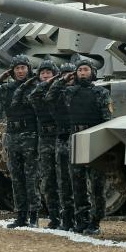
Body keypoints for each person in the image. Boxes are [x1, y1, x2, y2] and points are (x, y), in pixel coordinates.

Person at [50, 59, 112, 235]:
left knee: (97, 186)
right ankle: (81, 219)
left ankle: (95, 221)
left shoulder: (101, 93)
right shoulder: (69, 92)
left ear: (92, 73)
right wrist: (62, 79)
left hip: (94, 140)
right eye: (79, 70)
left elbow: (107, 119)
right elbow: (49, 96)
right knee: (77, 184)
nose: (82, 73)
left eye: (86, 70)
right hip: (75, 139)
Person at [0, 55, 39, 228]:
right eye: (17, 68)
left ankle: (34, 216)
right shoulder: (7, 89)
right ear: (12, 71)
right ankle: (21, 215)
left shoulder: (35, 88)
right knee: (17, 178)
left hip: (30, 135)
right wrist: (0, 79)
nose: (21, 71)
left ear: (29, 69)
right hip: (12, 136)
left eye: (23, 68)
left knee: (31, 178)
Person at [27, 60, 64, 229]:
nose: (45, 75)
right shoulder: (38, 93)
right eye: (42, 73)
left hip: (60, 137)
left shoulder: (63, 91)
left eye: (49, 72)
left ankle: (68, 217)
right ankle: (55, 217)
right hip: (45, 139)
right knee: (48, 181)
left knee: (64, 180)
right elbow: (32, 96)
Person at [46, 61, 77, 231]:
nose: (69, 78)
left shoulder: (84, 92)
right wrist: (59, 80)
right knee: (64, 183)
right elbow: (44, 96)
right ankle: (67, 220)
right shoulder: (56, 96)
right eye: (65, 75)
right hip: (63, 140)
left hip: (80, 139)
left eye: (71, 75)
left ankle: (83, 220)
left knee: (79, 183)